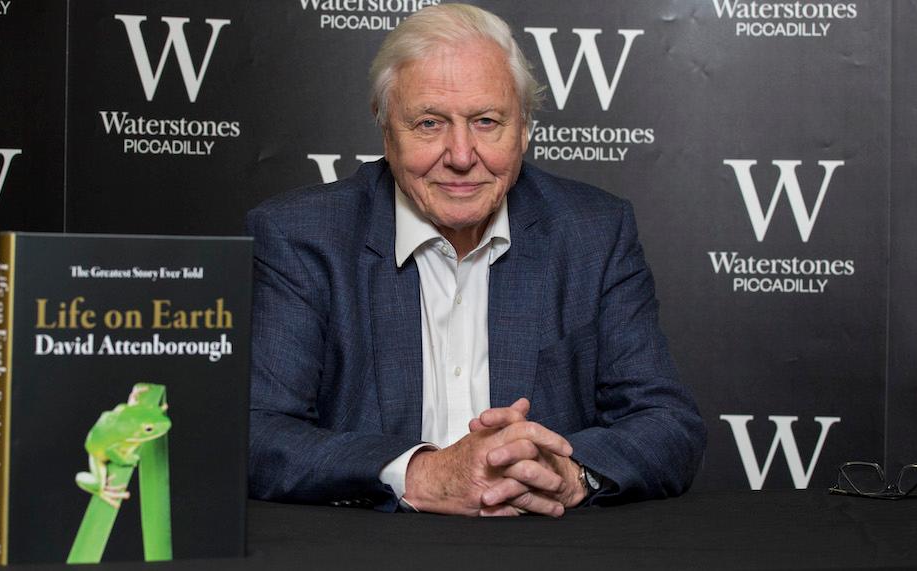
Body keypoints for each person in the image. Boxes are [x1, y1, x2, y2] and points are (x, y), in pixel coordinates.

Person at [247, 3, 705, 517]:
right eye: (428, 123)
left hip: (546, 548)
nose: (462, 155)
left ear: (525, 129)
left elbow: (667, 423)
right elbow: (257, 431)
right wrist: (420, 474)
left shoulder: (594, 232)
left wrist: (570, 473)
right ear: (385, 130)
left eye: (487, 122)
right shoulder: (302, 236)